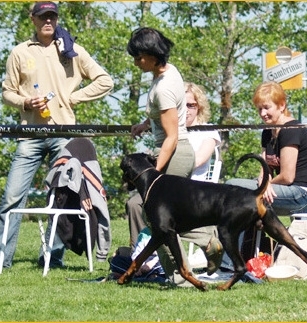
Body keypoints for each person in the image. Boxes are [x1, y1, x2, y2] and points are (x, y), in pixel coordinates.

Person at [0, 2, 114, 270]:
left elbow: (105, 80)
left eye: (52, 16)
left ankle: (52, 257)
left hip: (64, 135)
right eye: (42, 17)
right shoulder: (19, 52)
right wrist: (26, 103)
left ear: (57, 19)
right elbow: (7, 92)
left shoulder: (72, 50)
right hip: (29, 136)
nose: (48, 21)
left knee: (60, 199)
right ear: (33, 20)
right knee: (12, 196)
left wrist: (74, 97)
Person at [126, 28, 222, 287]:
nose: (135, 62)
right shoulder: (167, 72)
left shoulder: (164, 86)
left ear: (151, 55)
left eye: (138, 57)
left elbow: (170, 136)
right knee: (163, 217)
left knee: (158, 219)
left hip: (173, 152)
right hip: (175, 149)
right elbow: (168, 114)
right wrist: (146, 124)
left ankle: (181, 277)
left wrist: (154, 170)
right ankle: (206, 243)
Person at [226, 81, 307, 256]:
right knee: (238, 198)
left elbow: (287, 176)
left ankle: (229, 265)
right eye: (259, 109)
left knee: (233, 188)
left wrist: (265, 185)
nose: (262, 113)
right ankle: (243, 260)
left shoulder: (290, 130)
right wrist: (263, 182)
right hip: (283, 191)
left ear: (282, 105)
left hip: (303, 194)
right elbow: (264, 167)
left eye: (267, 108)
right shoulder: (268, 131)